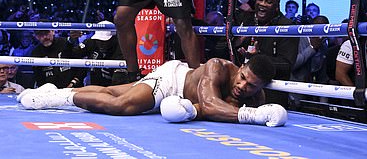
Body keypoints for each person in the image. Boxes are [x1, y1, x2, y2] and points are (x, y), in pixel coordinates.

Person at [19, 55, 287, 127]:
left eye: (251, 86)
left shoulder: (256, 97)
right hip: (172, 80)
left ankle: (55, 88)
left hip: (179, 98)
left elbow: (206, 109)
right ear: (240, 67)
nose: (242, 86)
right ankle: (56, 98)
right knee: (122, 105)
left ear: (260, 88)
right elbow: (209, 104)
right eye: (242, 78)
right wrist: (252, 116)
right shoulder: (218, 67)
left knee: (111, 92)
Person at [233, 0, 298, 106]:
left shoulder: (287, 26)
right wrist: (235, 43)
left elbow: (286, 65)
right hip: (240, 91)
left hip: (270, 95)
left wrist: (258, 58)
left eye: (268, 2)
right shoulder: (248, 20)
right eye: (260, 0)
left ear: (277, 7)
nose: (263, 4)